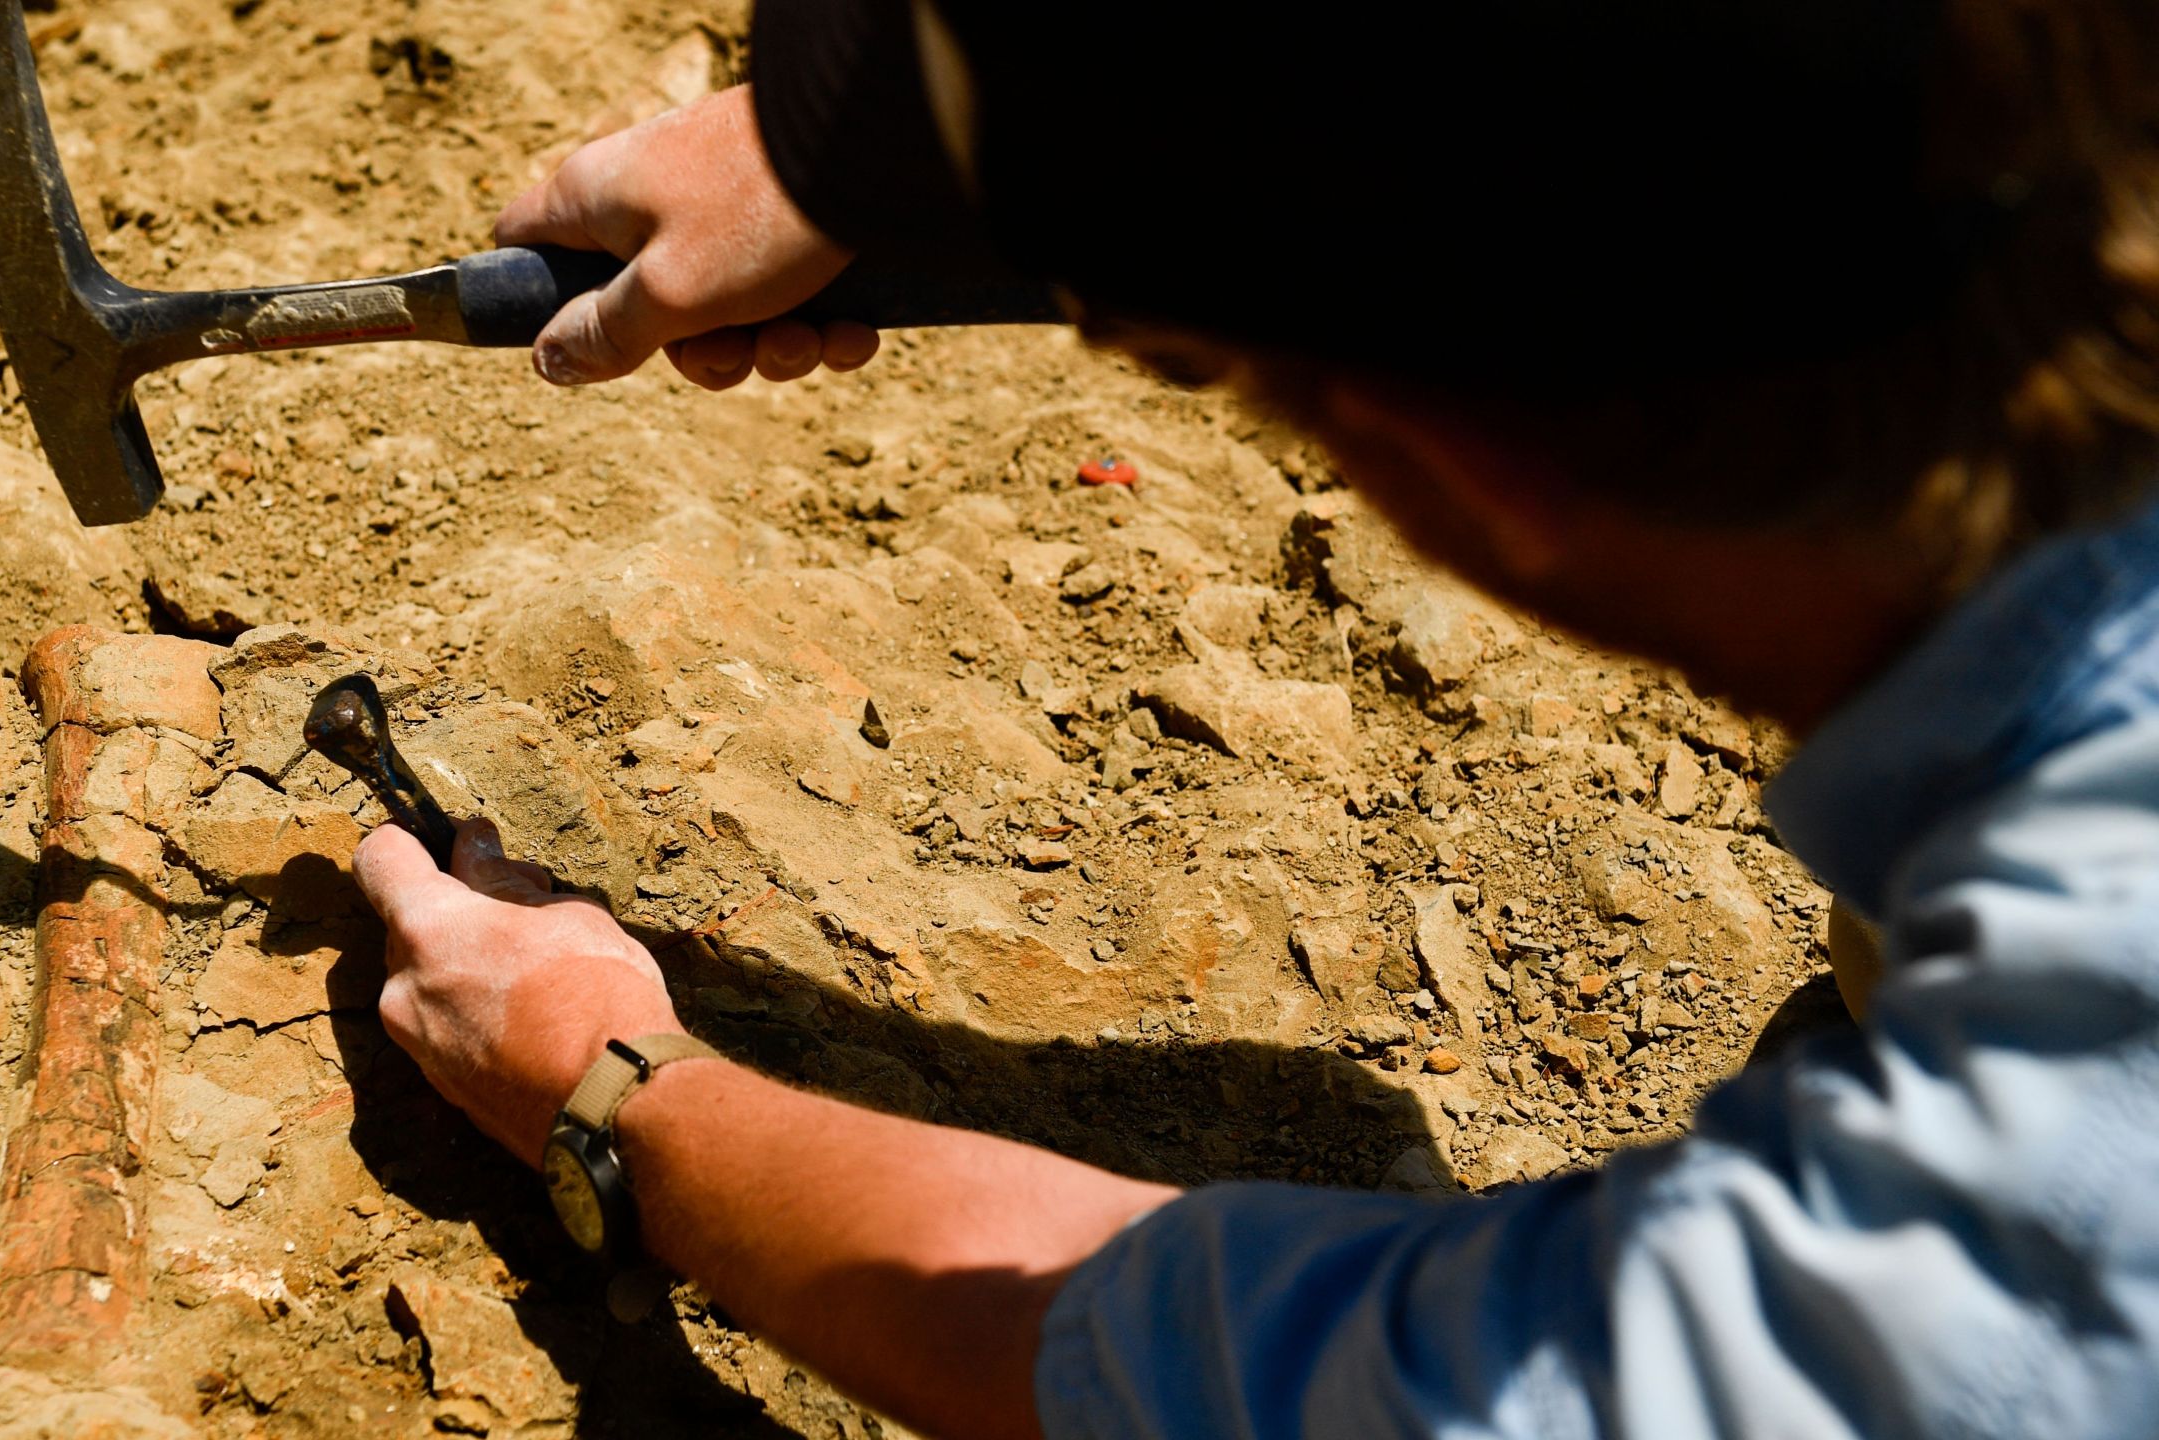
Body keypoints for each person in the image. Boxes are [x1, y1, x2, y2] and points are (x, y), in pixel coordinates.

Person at [351, 3, 2159, 1435]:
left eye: (1193, 361)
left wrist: (614, 1091)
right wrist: (888, 145)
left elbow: (1252, 1375)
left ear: (1462, 464)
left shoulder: (2022, 1274)